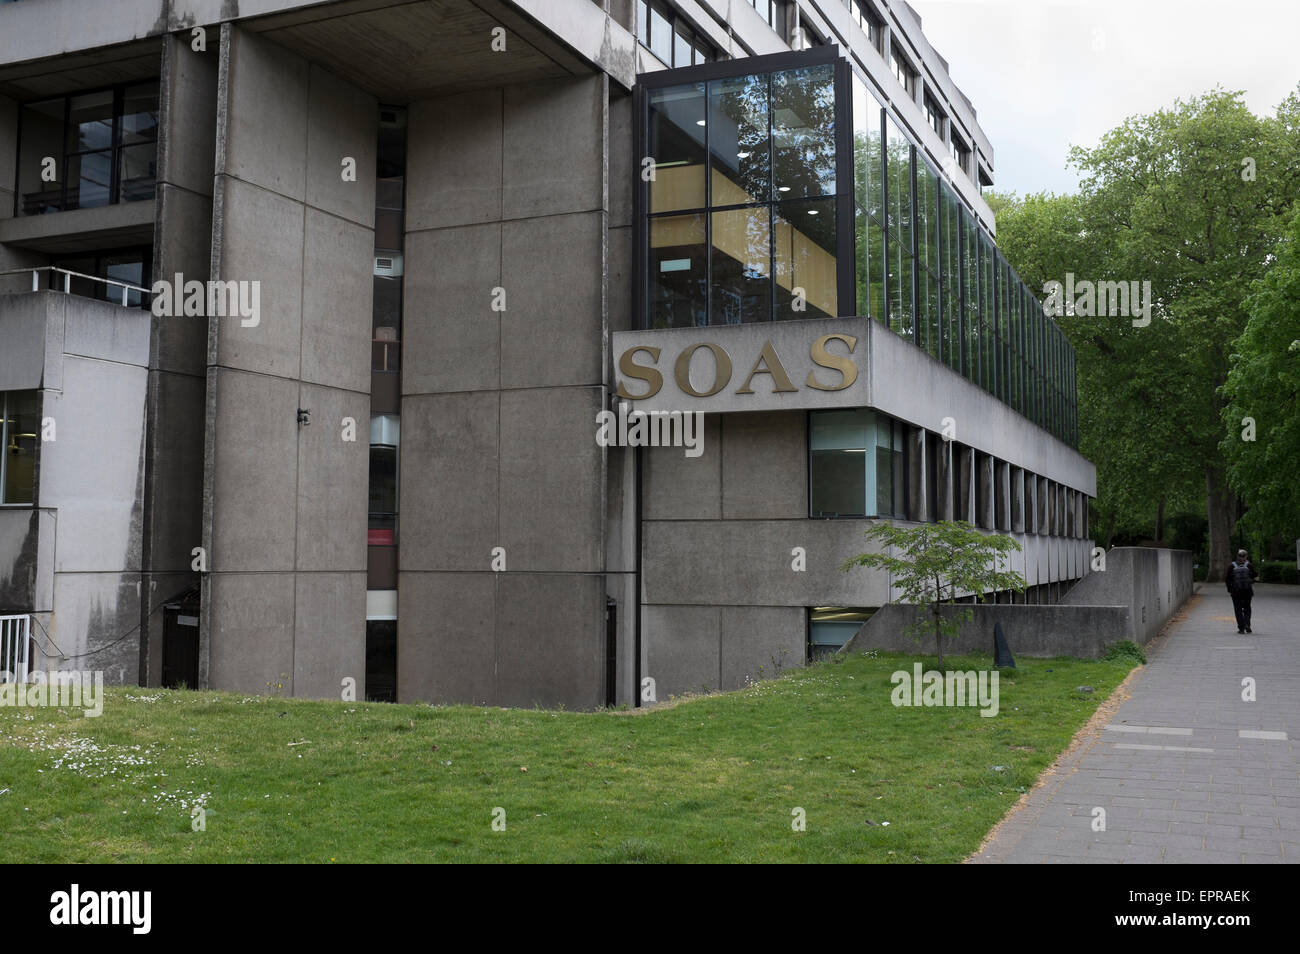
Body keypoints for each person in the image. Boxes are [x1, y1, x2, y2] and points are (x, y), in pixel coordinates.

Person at [1225, 549, 1258, 634]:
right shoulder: (1249, 565)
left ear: (1237, 556)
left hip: (1236, 591)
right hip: (1247, 591)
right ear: (1246, 556)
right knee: (1247, 608)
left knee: (1238, 609)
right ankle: (1247, 624)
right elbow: (1255, 575)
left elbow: (1227, 579)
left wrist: (1229, 590)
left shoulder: (1231, 566)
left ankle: (1241, 628)